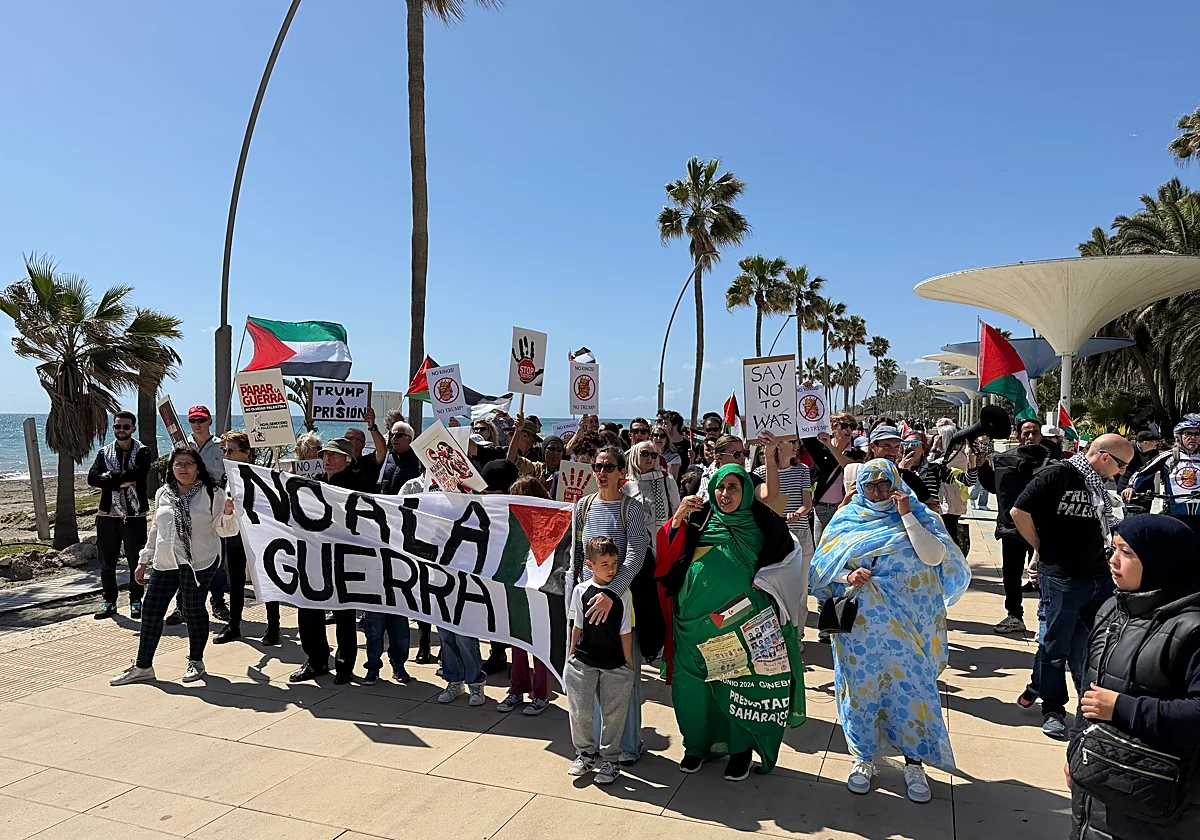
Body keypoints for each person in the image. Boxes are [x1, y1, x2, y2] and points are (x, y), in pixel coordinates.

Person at [810, 459, 971, 803]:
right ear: (861, 488)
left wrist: (907, 515)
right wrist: (846, 577)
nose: (880, 492)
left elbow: (934, 557)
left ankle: (915, 762)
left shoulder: (921, 517)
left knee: (912, 692)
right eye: (871, 486)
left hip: (911, 628)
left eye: (885, 484)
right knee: (861, 692)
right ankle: (863, 758)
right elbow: (821, 569)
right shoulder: (847, 518)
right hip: (861, 632)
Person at [655, 464, 807, 779]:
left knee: (738, 688)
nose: (725, 495)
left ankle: (739, 752)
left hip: (739, 627)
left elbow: (791, 563)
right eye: (721, 488)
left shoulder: (764, 524)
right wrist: (679, 516)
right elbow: (666, 550)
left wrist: (768, 583)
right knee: (691, 692)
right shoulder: (699, 518)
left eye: (734, 488)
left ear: (746, 491)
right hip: (692, 627)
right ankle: (696, 747)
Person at [1064, 514, 1200, 839]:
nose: (1112, 560)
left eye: (1126, 552)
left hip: (1158, 807)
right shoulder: (1111, 609)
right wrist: (1074, 751)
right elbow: (1090, 694)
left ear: (1160, 560)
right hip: (1095, 787)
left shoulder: (1192, 628)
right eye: (1113, 549)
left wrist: (1123, 707)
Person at [1010, 433, 1135, 740]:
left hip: (1099, 576)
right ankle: (1053, 709)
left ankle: (1082, 704)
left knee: (1094, 647)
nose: (1121, 473)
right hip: (1062, 576)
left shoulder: (1099, 485)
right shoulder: (1059, 473)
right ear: (1104, 457)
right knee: (1055, 647)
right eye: (1121, 465)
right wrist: (1041, 548)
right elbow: (1018, 512)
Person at [110, 445, 238, 685]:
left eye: (189, 464)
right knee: (151, 612)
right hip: (165, 561)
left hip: (199, 562)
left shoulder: (212, 493)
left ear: (198, 468)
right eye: (178, 464)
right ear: (171, 468)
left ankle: (196, 662)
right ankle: (143, 666)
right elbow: (157, 529)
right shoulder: (163, 493)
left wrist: (229, 513)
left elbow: (224, 530)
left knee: (192, 610)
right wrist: (143, 560)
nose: (183, 468)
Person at [573, 445, 650, 765]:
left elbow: (636, 555)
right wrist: (578, 596)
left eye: (608, 467)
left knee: (622, 676)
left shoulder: (631, 509)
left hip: (620, 603)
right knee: (588, 678)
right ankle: (593, 749)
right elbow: (578, 554)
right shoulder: (582, 506)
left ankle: (629, 745)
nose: (601, 472)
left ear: (622, 472)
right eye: (597, 467)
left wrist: (612, 593)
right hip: (589, 603)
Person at [289, 438, 373, 685]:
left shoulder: (357, 485)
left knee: (344, 614)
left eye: (334, 455)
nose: (328, 459)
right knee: (308, 611)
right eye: (325, 454)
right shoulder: (314, 482)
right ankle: (316, 660)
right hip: (314, 557)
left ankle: (345, 665)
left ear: (348, 459)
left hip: (344, 559)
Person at [566, 536, 635, 786]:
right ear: (590, 565)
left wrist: (629, 664)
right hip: (584, 662)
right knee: (581, 711)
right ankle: (585, 753)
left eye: (614, 563)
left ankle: (611, 760)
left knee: (613, 715)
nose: (611, 569)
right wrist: (570, 655)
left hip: (615, 664)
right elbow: (577, 625)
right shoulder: (580, 591)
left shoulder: (622, 593)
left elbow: (625, 630)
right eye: (604, 564)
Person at [978, 419, 1053, 635]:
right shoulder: (1006, 459)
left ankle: (1046, 618)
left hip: (1042, 529)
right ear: (1019, 436)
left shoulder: (1052, 460)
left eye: (1035, 433)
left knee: (1045, 574)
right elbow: (994, 486)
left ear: (1041, 436)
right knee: (1011, 574)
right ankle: (1014, 616)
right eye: (1026, 433)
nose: (1030, 437)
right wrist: (983, 466)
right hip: (1012, 529)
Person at [212, 431, 281, 645]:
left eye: (231, 451)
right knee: (236, 581)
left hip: (259, 535)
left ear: (247, 453)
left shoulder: (261, 475)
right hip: (235, 533)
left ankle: (274, 626)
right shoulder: (227, 477)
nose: (227, 455)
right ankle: (234, 625)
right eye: (225, 451)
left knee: (266, 579)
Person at [497, 475, 554, 715]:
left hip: (539, 588)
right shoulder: (510, 519)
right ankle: (517, 688)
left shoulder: (550, 521)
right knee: (517, 641)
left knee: (539, 643)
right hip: (515, 584)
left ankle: (541, 694)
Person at [88, 411, 152, 620]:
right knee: (107, 563)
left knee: (136, 560)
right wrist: (119, 480)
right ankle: (109, 601)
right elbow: (92, 478)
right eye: (117, 427)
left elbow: (138, 474)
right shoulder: (104, 453)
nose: (121, 431)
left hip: (134, 516)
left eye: (126, 427)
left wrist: (109, 477)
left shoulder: (143, 451)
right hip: (107, 514)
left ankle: (135, 600)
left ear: (133, 429)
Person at [752, 436, 814, 631]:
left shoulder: (802, 470)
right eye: (792, 442)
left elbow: (807, 503)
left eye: (797, 442)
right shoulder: (760, 473)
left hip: (801, 534)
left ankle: (797, 635)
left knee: (801, 591)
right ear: (778, 444)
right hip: (774, 538)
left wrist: (797, 514)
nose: (797, 446)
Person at [1127, 414, 1200, 536]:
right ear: (1179, 437)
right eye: (1188, 434)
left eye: (1196, 434)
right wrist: (1131, 487)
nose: (1192, 437)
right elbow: (1142, 473)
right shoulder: (1167, 457)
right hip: (1174, 513)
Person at [803, 412, 865, 547]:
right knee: (820, 549)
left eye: (852, 426)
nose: (848, 430)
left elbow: (850, 466)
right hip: (821, 509)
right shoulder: (822, 451)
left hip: (846, 509)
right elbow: (805, 435)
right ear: (832, 428)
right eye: (843, 426)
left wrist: (831, 446)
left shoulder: (856, 453)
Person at [629, 440, 681, 540]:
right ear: (634, 456)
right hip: (634, 541)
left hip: (662, 539)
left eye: (653, 455)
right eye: (644, 454)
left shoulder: (666, 480)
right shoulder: (626, 485)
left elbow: (676, 511)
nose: (649, 458)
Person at [1116, 429, 1163, 513]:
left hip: (1147, 489)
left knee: (1145, 515)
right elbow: (1118, 469)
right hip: (1128, 488)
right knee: (1131, 516)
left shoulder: (1154, 453)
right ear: (1146, 442)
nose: (1157, 443)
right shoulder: (1129, 450)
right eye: (1155, 441)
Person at [378, 419, 422, 494]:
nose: (394, 438)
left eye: (398, 435)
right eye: (392, 435)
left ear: (409, 439)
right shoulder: (386, 456)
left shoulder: (418, 460)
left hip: (404, 503)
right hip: (384, 502)